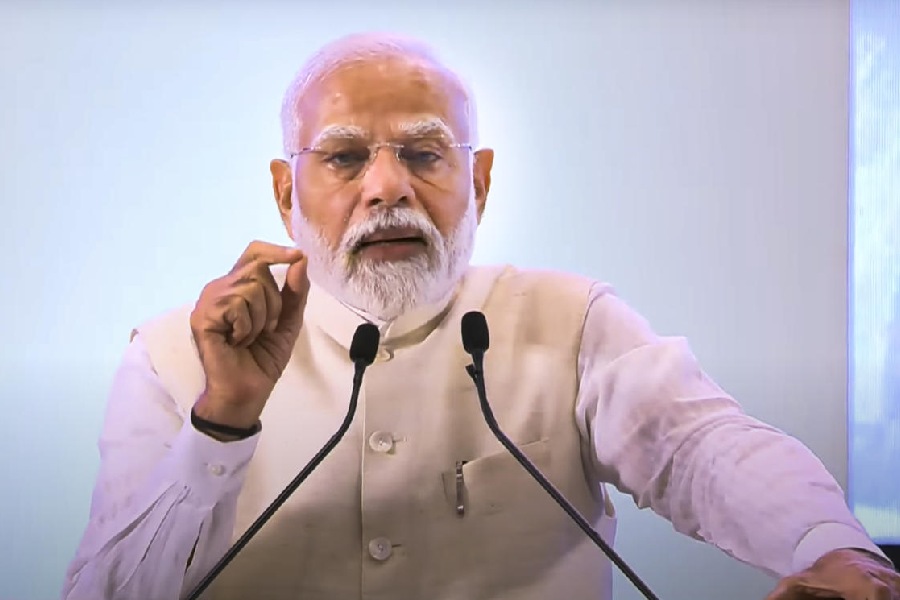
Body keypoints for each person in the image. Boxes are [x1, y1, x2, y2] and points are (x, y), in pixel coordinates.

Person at [62, 32, 899, 600]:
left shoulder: (568, 320)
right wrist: (221, 423)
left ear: (481, 182)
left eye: (424, 153)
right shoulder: (173, 359)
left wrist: (828, 546)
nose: (387, 188)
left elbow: (701, 449)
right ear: (286, 193)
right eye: (345, 157)